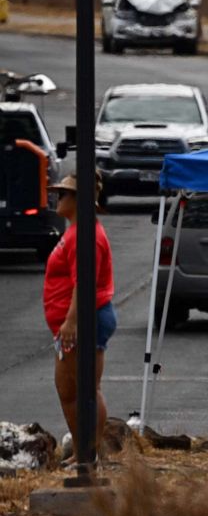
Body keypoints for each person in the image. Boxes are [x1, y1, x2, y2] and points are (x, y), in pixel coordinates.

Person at [43, 173, 116, 467]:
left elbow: (83, 282)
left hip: (87, 318)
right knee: (69, 388)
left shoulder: (87, 235)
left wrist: (72, 322)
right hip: (74, 320)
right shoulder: (76, 231)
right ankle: (83, 451)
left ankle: (91, 453)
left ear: (79, 200)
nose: (57, 198)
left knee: (85, 387)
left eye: (64, 194)